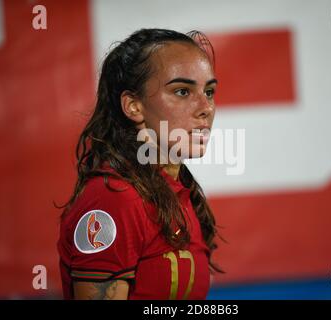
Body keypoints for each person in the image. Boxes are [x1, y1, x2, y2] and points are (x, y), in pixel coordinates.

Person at [57, 28, 223, 300]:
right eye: (182, 91)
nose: (205, 107)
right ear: (134, 106)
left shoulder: (179, 191)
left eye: (209, 91)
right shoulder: (115, 199)